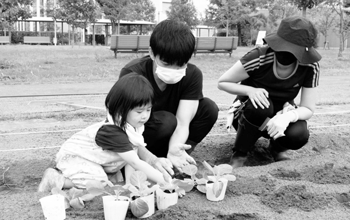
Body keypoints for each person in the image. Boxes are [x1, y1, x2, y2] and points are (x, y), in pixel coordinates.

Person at [218, 16, 322, 168]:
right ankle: (240, 153)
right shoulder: (258, 57)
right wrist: (250, 90)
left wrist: (288, 116)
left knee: (300, 133)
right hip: (248, 114)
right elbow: (222, 82)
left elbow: (308, 108)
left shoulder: (310, 67)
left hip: (279, 119)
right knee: (262, 106)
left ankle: (276, 149)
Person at [38, 73, 170, 192]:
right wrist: (164, 181)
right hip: (75, 158)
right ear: (120, 110)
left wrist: (131, 185)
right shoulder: (113, 131)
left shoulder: (133, 126)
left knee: (114, 182)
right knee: (99, 184)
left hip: (94, 161)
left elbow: (131, 158)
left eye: (149, 109)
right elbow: (136, 162)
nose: (145, 116)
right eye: (139, 111)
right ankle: (57, 180)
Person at [119, 19, 219, 173]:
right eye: (166, 63)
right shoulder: (133, 74)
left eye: (180, 65)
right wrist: (149, 159)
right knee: (166, 121)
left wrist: (174, 148)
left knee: (208, 108)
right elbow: (123, 125)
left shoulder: (193, 75)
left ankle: (177, 155)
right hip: (140, 135)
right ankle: (148, 159)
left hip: (172, 130)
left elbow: (183, 123)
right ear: (152, 53)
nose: (173, 70)